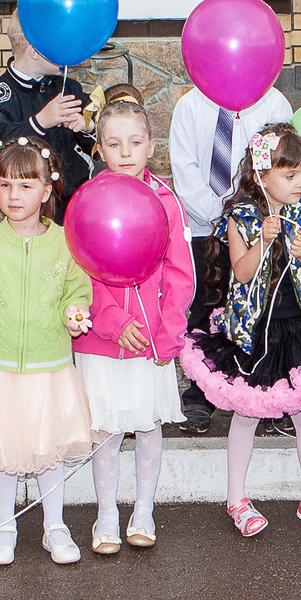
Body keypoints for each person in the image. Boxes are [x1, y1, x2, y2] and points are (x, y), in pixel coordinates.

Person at [179, 123, 301, 537]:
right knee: (245, 416)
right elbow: (242, 275)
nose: (300, 182)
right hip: (254, 331)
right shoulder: (242, 219)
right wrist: (263, 243)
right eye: (289, 175)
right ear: (262, 176)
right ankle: (236, 499)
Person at [0, 137, 99, 566]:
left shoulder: (65, 241)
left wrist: (75, 313)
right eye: (5, 184)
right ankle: (4, 525)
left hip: (48, 366)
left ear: (47, 191)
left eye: (25, 186)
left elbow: (78, 291)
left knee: (46, 446)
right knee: (1, 448)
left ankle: (55, 525)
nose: (14, 195)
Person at [73, 89, 195, 553]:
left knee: (147, 425)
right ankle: (106, 513)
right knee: (105, 428)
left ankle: (143, 510)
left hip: (151, 340)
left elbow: (181, 273)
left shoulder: (167, 201)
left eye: (136, 142)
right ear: (99, 148)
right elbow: (80, 271)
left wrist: (169, 335)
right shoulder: (86, 200)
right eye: (114, 144)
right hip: (103, 341)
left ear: (151, 145)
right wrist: (108, 320)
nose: (126, 153)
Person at [168, 69, 294, 432]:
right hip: (206, 227)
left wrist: (245, 219)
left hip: (260, 228)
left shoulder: (273, 102)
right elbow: (186, 170)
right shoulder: (191, 106)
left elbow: (280, 165)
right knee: (207, 307)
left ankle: (263, 390)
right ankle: (201, 393)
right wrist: (221, 218)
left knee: (262, 307)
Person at [0, 20, 94, 221]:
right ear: (35, 52)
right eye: (57, 46)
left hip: (75, 204)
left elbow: (99, 144)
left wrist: (87, 126)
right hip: (25, 215)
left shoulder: (68, 87)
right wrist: (38, 123)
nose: (66, 53)